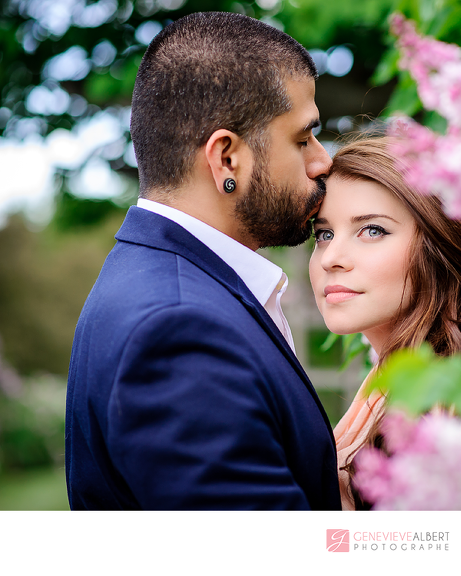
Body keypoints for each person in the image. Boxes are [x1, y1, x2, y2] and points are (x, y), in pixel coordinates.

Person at [65, 12, 341, 510]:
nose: (323, 161)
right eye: (302, 139)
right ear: (227, 160)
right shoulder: (178, 330)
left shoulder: (166, 286)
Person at [308, 137, 461, 510]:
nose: (331, 257)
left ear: (442, 250)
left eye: (372, 230)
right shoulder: (391, 393)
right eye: (324, 234)